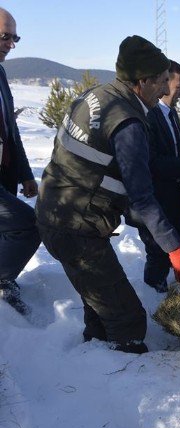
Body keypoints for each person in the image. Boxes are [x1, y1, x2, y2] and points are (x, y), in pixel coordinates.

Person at [35, 36, 180, 354]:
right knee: (128, 321)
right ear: (144, 81)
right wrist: (175, 250)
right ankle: (120, 382)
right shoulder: (129, 124)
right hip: (76, 228)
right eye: (163, 82)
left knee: (100, 308)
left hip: (58, 213)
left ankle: (93, 358)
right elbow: (142, 197)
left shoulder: (96, 95)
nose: (166, 90)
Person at [137, 60, 180, 293]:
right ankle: (154, 289)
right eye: (179, 86)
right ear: (164, 82)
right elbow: (151, 162)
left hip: (174, 194)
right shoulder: (149, 116)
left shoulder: (171, 114)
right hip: (154, 197)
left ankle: (173, 282)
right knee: (158, 249)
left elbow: (179, 146)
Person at [0, 7, 40, 315]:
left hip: (4, 175)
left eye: (15, 37)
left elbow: (10, 130)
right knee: (27, 226)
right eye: (5, 36)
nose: (11, 44)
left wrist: (25, 174)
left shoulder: (0, 73)